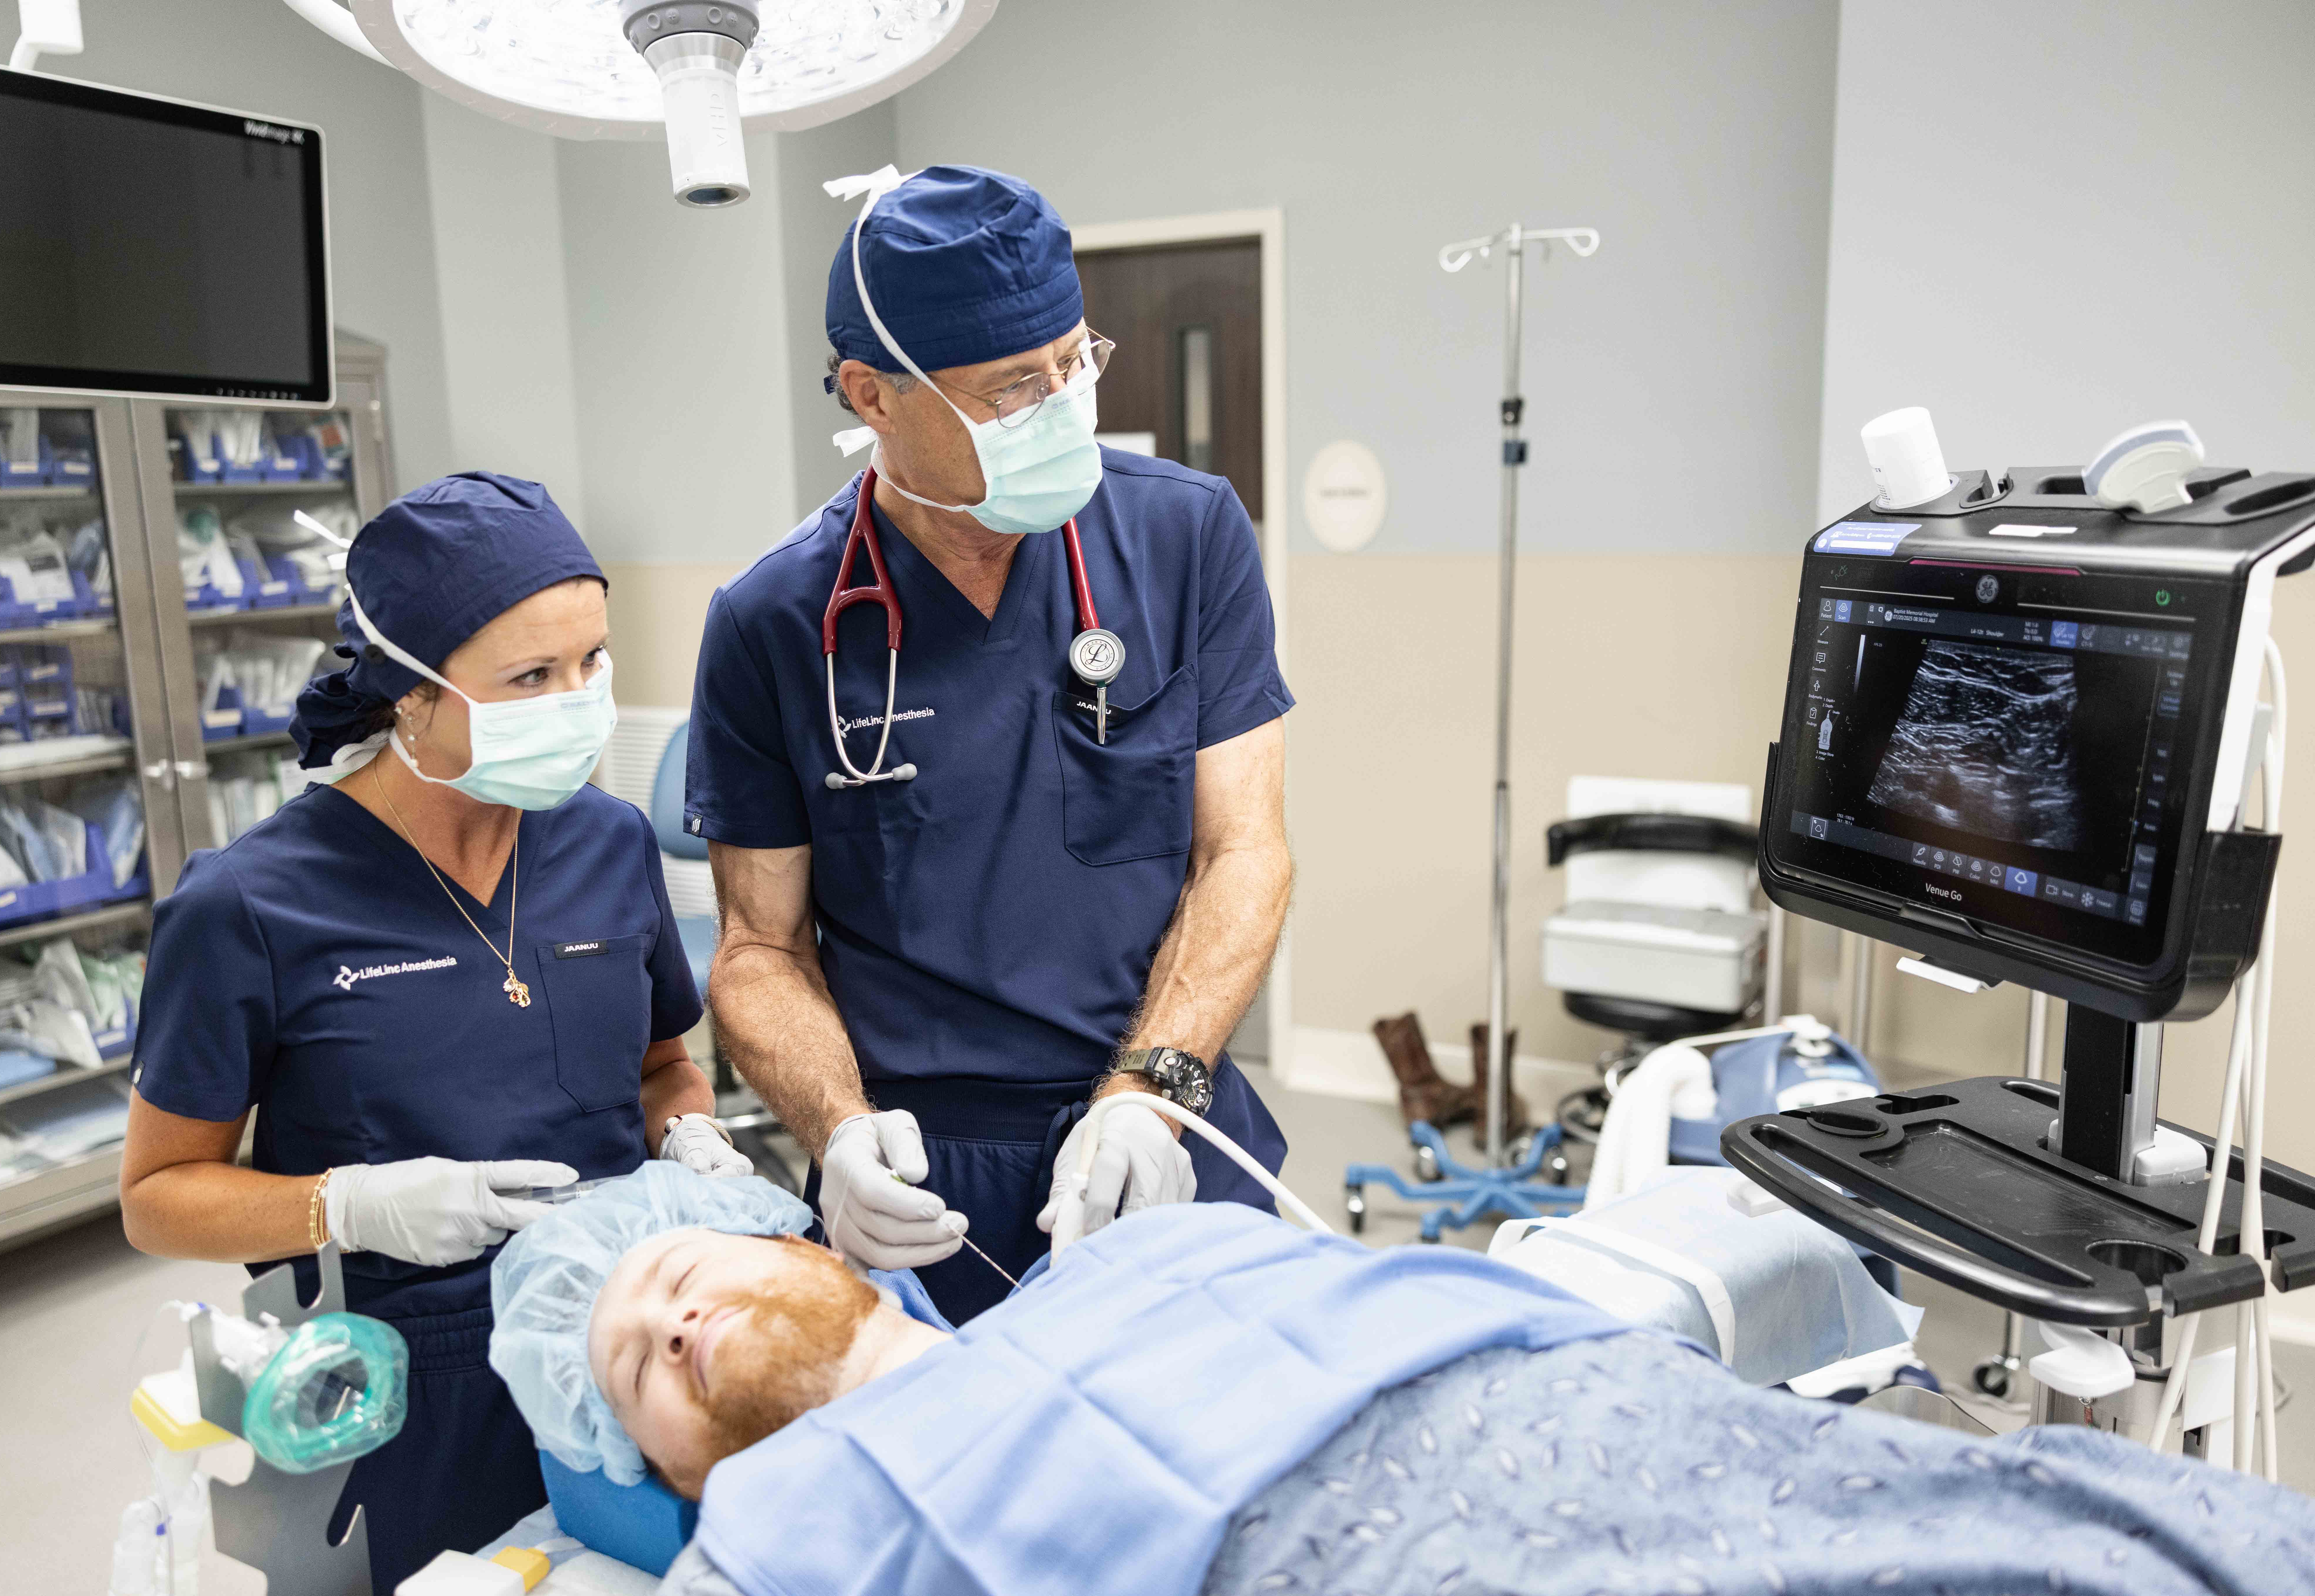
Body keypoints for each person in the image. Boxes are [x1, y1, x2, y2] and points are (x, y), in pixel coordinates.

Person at [490, 1165, 2315, 1596]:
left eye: (673, 1268)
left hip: (1584, 1410)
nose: (666, 1324)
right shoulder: (770, 1536)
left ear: (805, 1236)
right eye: (637, 1369)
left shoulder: (1145, 1235)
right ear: (650, 1467)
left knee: (2066, 1523)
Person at [119, 473, 755, 1592]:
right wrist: (354, 1204)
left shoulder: (605, 845)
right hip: (401, 1385)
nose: (579, 700)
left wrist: (688, 1136)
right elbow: (159, 1195)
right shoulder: (249, 907)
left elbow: (663, 1066)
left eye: (591, 664)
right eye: (530, 677)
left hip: (616, 1349)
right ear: (407, 696)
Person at [685, 164, 1296, 1324]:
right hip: (928, 1178)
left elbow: (1244, 854)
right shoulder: (774, 622)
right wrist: (839, 1132)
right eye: (1016, 388)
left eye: (1076, 364)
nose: (1064, 406)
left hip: (1163, 1116)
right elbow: (758, 949)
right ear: (871, 395)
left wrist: (1147, 1095)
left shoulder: (1185, 533)